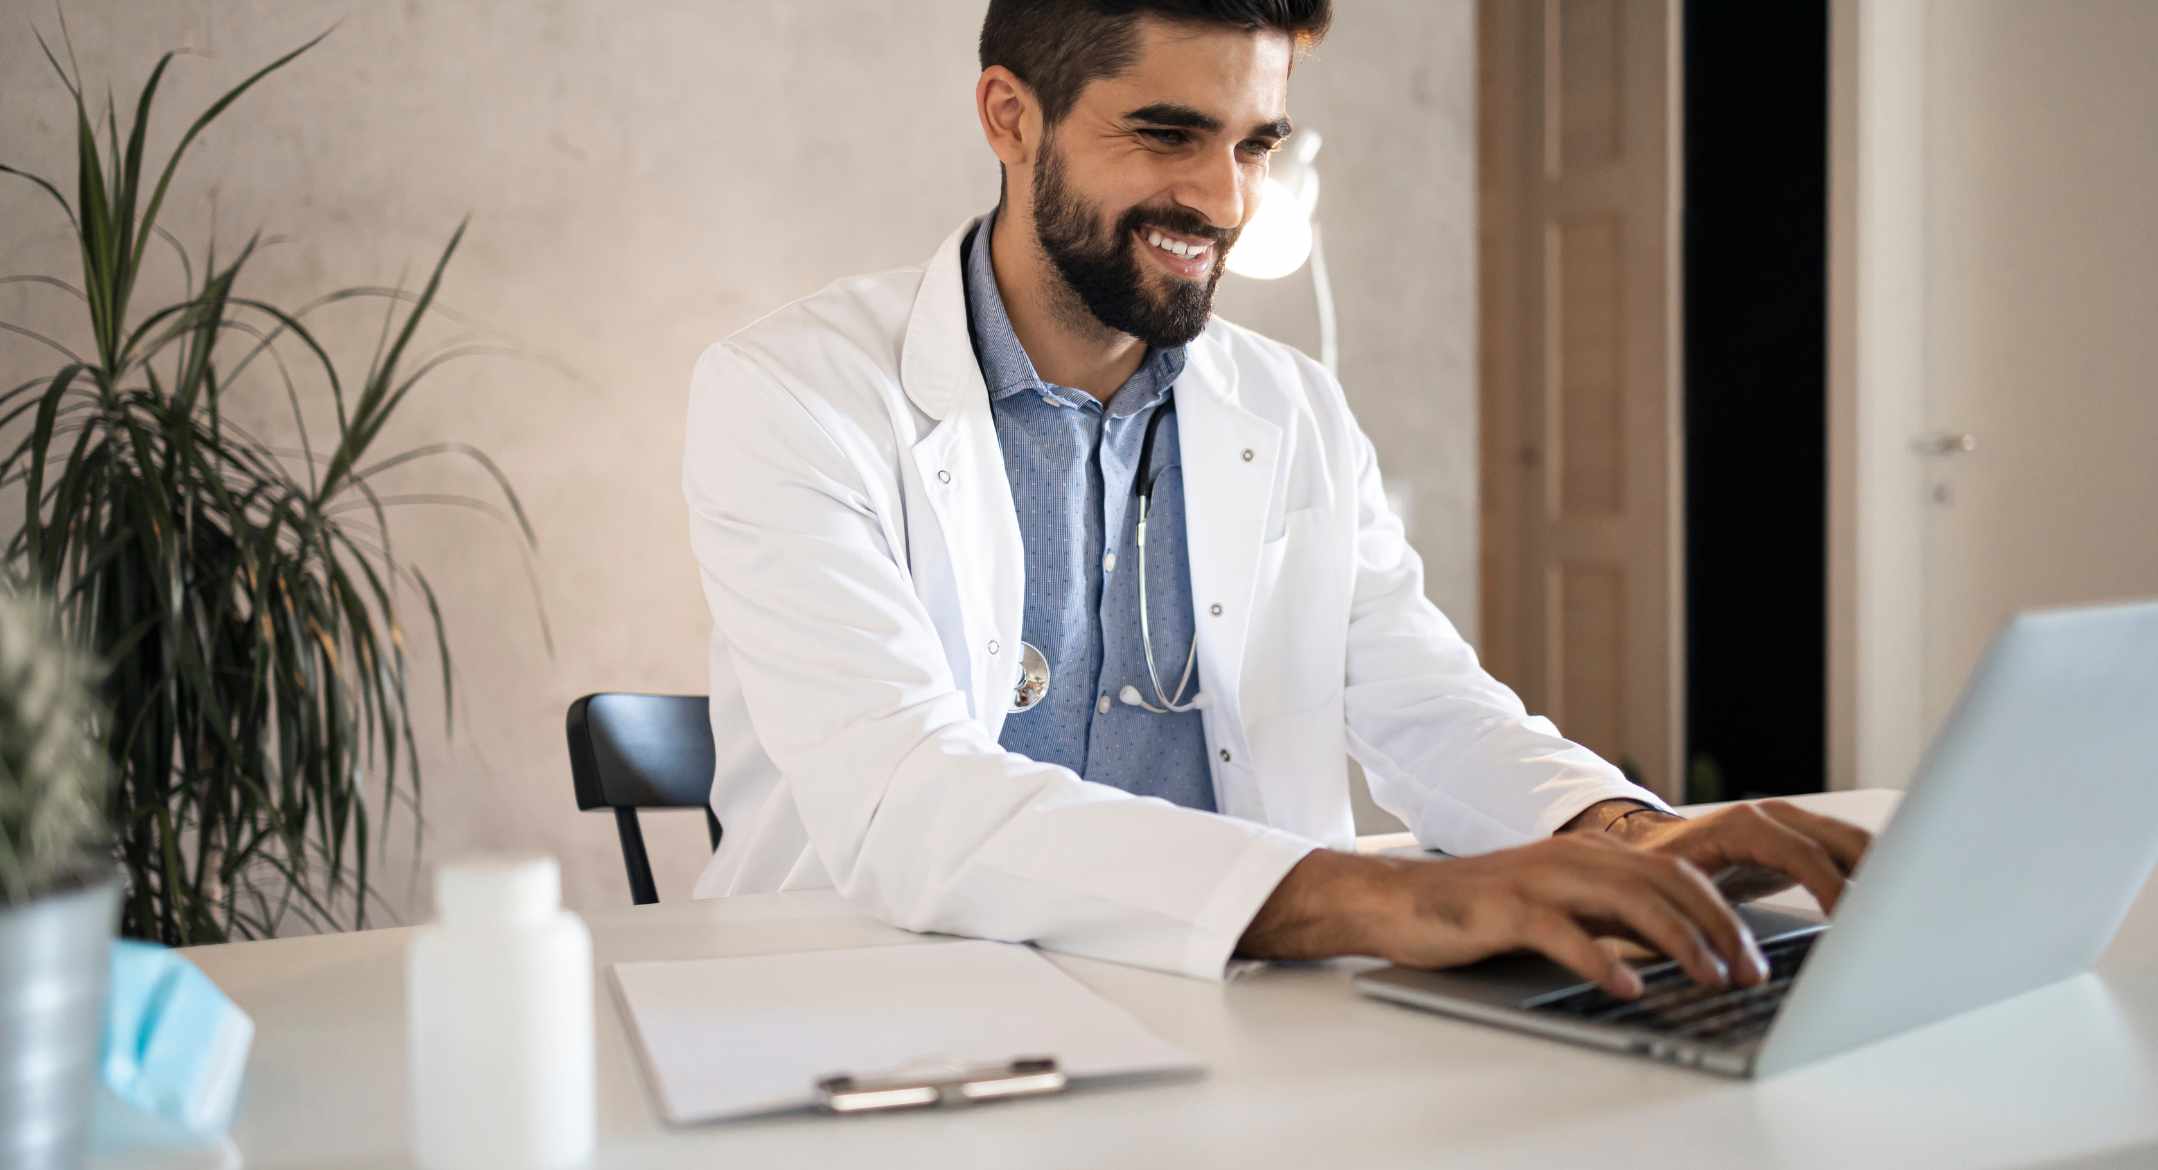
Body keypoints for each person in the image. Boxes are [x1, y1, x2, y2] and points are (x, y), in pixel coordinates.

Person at [681, 0, 1871, 999]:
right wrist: (1391, 897)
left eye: (1255, 144)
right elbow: (910, 801)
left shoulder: (1290, 407)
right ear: (1010, 116)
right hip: (881, 1006)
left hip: (1229, 1017)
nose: (1224, 200)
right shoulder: (790, 395)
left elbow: (1422, 702)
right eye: (1167, 133)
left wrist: (1622, 833)